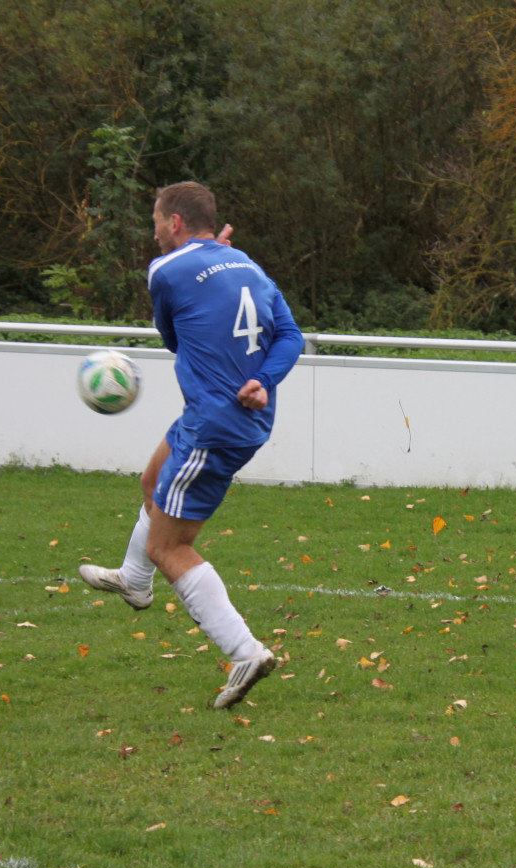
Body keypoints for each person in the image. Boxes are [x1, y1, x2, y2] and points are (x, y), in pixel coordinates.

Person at [80, 181, 304, 707]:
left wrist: (206, 286)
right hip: (236, 413)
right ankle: (134, 580)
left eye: (156, 220)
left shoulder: (166, 270)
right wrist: (264, 380)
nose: (153, 230)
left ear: (175, 224)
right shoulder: (246, 263)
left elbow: (176, 338)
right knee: (152, 480)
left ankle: (245, 650)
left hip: (214, 424)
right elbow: (290, 335)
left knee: (170, 546)